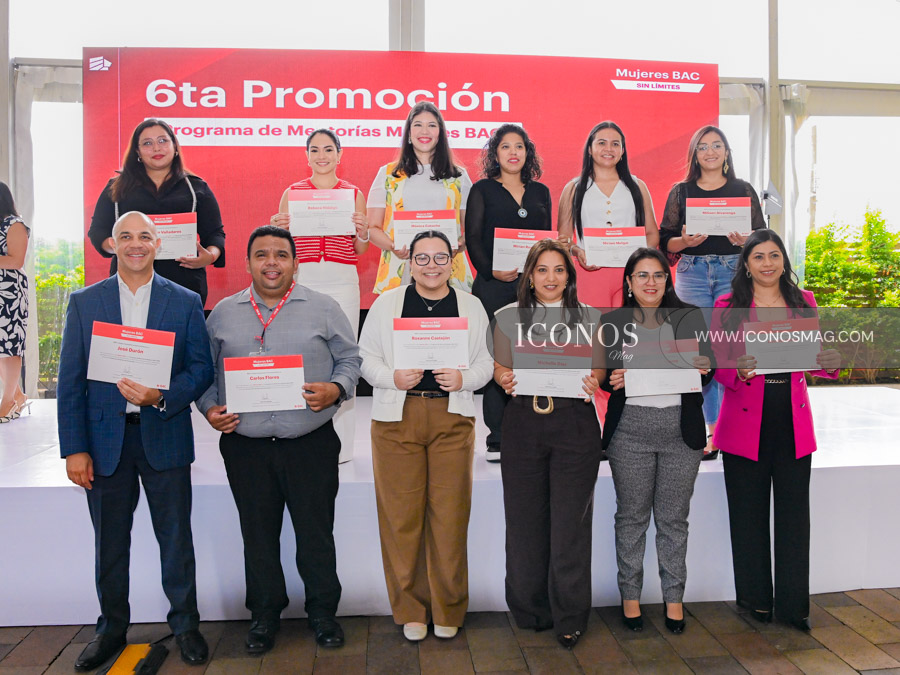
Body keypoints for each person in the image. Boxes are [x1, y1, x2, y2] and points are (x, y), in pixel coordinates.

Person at [57, 211, 214, 670]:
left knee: (176, 540)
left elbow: (201, 369)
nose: (136, 244)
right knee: (109, 544)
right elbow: (70, 383)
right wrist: (75, 448)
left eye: (145, 236)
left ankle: (186, 627)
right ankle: (110, 630)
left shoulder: (184, 301)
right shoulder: (85, 302)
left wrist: (160, 396)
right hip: (104, 443)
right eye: (126, 236)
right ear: (112, 244)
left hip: (164, 434)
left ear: (158, 243)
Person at [198, 225, 361, 653]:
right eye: (262, 255)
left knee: (315, 534)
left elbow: (350, 359)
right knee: (257, 536)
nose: (272, 263)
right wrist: (210, 408)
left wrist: (336, 390)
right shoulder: (223, 314)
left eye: (281, 255)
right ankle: (264, 615)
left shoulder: (324, 307)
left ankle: (323, 613)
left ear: (295, 263)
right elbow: (203, 372)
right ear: (248, 263)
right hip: (246, 447)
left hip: (310, 442)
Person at [359, 230, 493, 642]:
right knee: (401, 519)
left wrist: (465, 378)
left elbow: (486, 362)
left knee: (450, 516)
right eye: (422, 258)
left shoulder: (470, 306)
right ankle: (411, 609)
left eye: (440, 258)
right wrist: (392, 377)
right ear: (409, 262)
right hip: (396, 420)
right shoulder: (386, 305)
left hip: (451, 419)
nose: (431, 266)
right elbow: (365, 358)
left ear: (452, 262)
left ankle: (448, 607)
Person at [712, 229, 839, 631]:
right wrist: (737, 370)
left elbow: (815, 359)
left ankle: (793, 606)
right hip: (744, 422)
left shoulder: (804, 302)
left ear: (784, 260)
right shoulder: (727, 305)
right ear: (746, 265)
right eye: (758, 257)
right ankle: (756, 600)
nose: (767, 263)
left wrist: (830, 362)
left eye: (774, 255)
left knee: (794, 519)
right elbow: (716, 364)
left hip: (792, 421)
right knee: (747, 516)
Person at [492, 239, 603, 649]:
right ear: (529, 275)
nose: (550, 277)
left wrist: (594, 380)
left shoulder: (591, 317)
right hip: (523, 423)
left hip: (575, 425)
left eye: (559, 269)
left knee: (570, 526)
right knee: (524, 523)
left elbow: (599, 370)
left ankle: (569, 615)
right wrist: (504, 378)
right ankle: (531, 609)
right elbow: (501, 366)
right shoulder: (507, 317)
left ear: (569, 276)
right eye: (542, 269)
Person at [600, 248, 713, 635]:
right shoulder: (613, 321)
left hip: (681, 431)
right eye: (642, 275)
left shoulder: (689, 317)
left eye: (658, 275)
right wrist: (613, 378)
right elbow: (604, 376)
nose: (651, 282)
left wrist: (705, 367)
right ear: (629, 282)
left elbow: (708, 370)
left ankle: (674, 599)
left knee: (673, 520)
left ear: (668, 280)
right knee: (631, 518)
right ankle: (630, 598)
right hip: (629, 432)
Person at [659, 126, 766, 460]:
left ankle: (733, 426)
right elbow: (665, 241)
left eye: (717, 145)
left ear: (727, 152)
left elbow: (762, 238)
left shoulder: (743, 189)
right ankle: (712, 429)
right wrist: (684, 241)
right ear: (694, 154)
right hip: (691, 274)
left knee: (731, 349)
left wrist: (745, 241)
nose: (710, 152)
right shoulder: (681, 191)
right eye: (703, 147)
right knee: (700, 352)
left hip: (732, 273)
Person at [269, 128, 369, 463]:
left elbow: (360, 248)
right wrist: (278, 228)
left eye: (328, 149)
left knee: (345, 358)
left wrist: (363, 232)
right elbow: (281, 248)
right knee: (304, 357)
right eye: (314, 150)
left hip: (343, 281)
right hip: (305, 279)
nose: (321, 156)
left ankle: (343, 447)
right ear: (307, 155)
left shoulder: (353, 193)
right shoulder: (292, 193)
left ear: (340, 154)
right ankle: (302, 439)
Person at [465, 124, 552, 463]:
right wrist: (490, 271)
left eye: (519, 146)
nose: (513, 152)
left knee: (534, 356)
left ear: (528, 153)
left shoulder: (541, 191)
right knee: (497, 357)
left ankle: (534, 429)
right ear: (495, 153)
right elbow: (473, 238)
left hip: (533, 289)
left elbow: (544, 242)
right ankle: (498, 435)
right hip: (493, 286)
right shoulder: (482, 189)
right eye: (505, 146)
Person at [88, 118, 226, 307]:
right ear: (137, 152)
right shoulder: (116, 187)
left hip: (185, 284)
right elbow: (98, 231)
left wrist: (210, 256)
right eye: (147, 143)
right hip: (129, 284)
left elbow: (215, 233)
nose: (156, 148)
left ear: (175, 146)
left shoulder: (196, 187)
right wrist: (123, 248)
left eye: (163, 141)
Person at [367, 101, 474, 294]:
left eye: (431, 125)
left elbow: (472, 228)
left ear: (440, 133)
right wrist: (393, 246)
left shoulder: (458, 176)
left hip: (448, 270)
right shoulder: (388, 174)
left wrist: (459, 245)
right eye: (418, 125)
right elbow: (372, 228)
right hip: (400, 270)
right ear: (409, 133)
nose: (424, 131)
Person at [558, 121, 659, 309]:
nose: (609, 149)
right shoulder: (573, 188)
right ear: (590, 149)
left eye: (615, 144)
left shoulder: (638, 186)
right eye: (602, 143)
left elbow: (652, 233)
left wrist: (637, 258)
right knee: (592, 326)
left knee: (630, 326)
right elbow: (563, 240)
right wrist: (578, 252)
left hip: (631, 275)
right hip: (589, 274)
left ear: (622, 151)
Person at [0, 182, 30, 422]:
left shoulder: (14, 224)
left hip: (8, 295)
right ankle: (18, 395)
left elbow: (16, 260)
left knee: (9, 346)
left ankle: (8, 400)